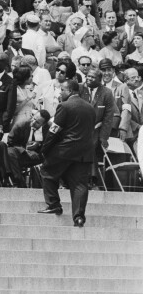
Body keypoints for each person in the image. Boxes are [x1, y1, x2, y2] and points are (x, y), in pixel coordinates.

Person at [37, 80, 96, 227]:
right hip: (85, 152)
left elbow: (54, 130)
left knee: (47, 171)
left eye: (61, 90)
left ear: (69, 90)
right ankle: (79, 217)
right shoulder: (90, 108)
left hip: (65, 150)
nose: (59, 93)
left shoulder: (64, 106)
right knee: (80, 185)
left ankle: (53, 204)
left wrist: (44, 149)